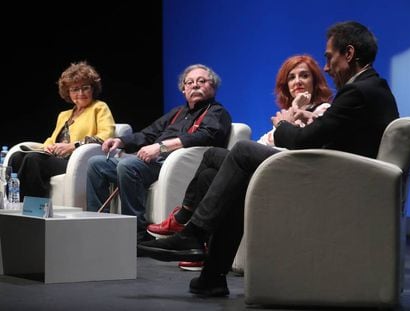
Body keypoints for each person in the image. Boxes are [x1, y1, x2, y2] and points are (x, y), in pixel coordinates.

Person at [137, 21, 400, 297]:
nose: (326, 67)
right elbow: (329, 134)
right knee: (238, 175)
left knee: (242, 152)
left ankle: (194, 233)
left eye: (329, 57)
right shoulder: (372, 88)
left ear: (348, 54)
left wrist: (285, 123)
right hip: (337, 175)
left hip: (335, 182)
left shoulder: (357, 91)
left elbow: (302, 140)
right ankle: (211, 273)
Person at [146, 55, 333, 271]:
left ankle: (184, 219)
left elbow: (300, 142)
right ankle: (202, 255)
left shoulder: (322, 110)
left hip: (287, 171)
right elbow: (265, 142)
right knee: (208, 176)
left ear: (315, 81)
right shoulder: (286, 114)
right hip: (269, 167)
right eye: (291, 77)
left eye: (304, 76)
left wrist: (292, 115)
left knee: (213, 155)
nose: (297, 81)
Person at [86, 64, 232, 244]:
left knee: (127, 166)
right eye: (190, 82)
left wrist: (161, 147)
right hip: (152, 161)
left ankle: (135, 235)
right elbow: (148, 133)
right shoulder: (177, 112)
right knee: (96, 163)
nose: (195, 85)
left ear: (213, 86)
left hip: (174, 164)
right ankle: (97, 227)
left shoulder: (217, 112)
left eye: (202, 81)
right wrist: (121, 142)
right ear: (183, 89)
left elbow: (207, 135)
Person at [9, 61, 115, 200]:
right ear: (68, 92)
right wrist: (48, 148)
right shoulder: (64, 115)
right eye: (75, 89)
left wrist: (73, 146)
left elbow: (106, 135)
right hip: (57, 159)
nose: (81, 93)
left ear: (93, 89)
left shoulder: (99, 107)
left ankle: (34, 209)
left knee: (33, 160)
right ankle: (13, 206)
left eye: (85, 88)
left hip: (77, 161)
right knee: (17, 157)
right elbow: (51, 140)